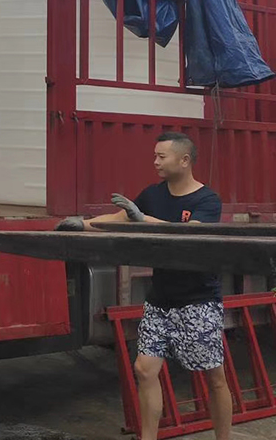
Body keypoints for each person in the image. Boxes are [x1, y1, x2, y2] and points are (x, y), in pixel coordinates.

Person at [56, 132, 230, 440]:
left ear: (184, 160)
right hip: (159, 300)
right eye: (155, 156)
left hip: (198, 301)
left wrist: (143, 219)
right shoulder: (152, 194)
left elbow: (188, 236)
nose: (155, 162)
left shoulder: (207, 200)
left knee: (214, 377)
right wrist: (81, 224)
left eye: (161, 156)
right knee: (144, 369)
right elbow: (120, 218)